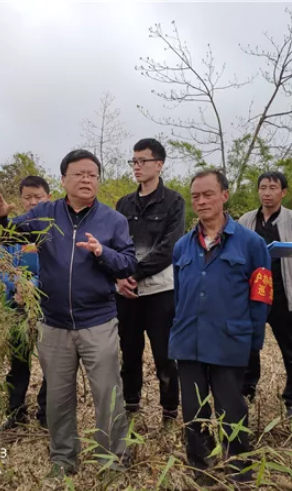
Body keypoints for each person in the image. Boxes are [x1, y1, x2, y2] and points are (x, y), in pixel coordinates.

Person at [0, 150, 137, 477]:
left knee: (108, 394)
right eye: (79, 174)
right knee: (58, 397)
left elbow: (128, 263)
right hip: (54, 324)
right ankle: (63, 459)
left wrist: (102, 252)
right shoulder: (43, 214)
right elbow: (5, 236)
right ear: (64, 179)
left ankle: (113, 461)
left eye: (92, 174)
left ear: (98, 180)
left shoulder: (113, 220)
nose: (86, 179)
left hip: (98, 321)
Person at [171, 169, 272, 485]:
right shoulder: (182, 247)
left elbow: (261, 294)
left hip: (229, 340)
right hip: (189, 340)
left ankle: (240, 468)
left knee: (232, 409)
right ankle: (201, 468)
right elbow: (178, 292)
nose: (201, 202)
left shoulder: (252, 244)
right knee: (192, 411)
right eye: (196, 196)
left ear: (224, 196)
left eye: (208, 194)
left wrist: (252, 339)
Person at [115, 138, 184, 426]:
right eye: (134, 161)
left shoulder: (173, 202)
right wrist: (119, 276)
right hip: (126, 292)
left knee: (165, 356)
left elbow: (170, 248)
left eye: (143, 161)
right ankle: (130, 407)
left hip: (160, 292)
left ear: (159, 164)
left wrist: (134, 274)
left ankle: (169, 411)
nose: (137, 166)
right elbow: (114, 244)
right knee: (129, 352)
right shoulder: (124, 203)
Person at [238, 171, 292, 417]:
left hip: (281, 292)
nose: (267, 193)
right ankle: (247, 388)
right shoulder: (246, 220)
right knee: (249, 345)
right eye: (262, 187)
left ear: (284, 192)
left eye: (272, 187)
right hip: (253, 293)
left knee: (290, 347)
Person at [0, 176, 51, 430]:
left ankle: (46, 413)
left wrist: (34, 286)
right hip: (16, 305)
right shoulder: (12, 229)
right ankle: (15, 411)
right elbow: (2, 263)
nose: (32, 202)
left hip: (48, 306)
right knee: (18, 361)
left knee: (52, 362)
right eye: (27, 197)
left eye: (38, 197)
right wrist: (16, 285)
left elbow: (58, 268)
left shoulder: (53, 229)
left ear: (48, 197)